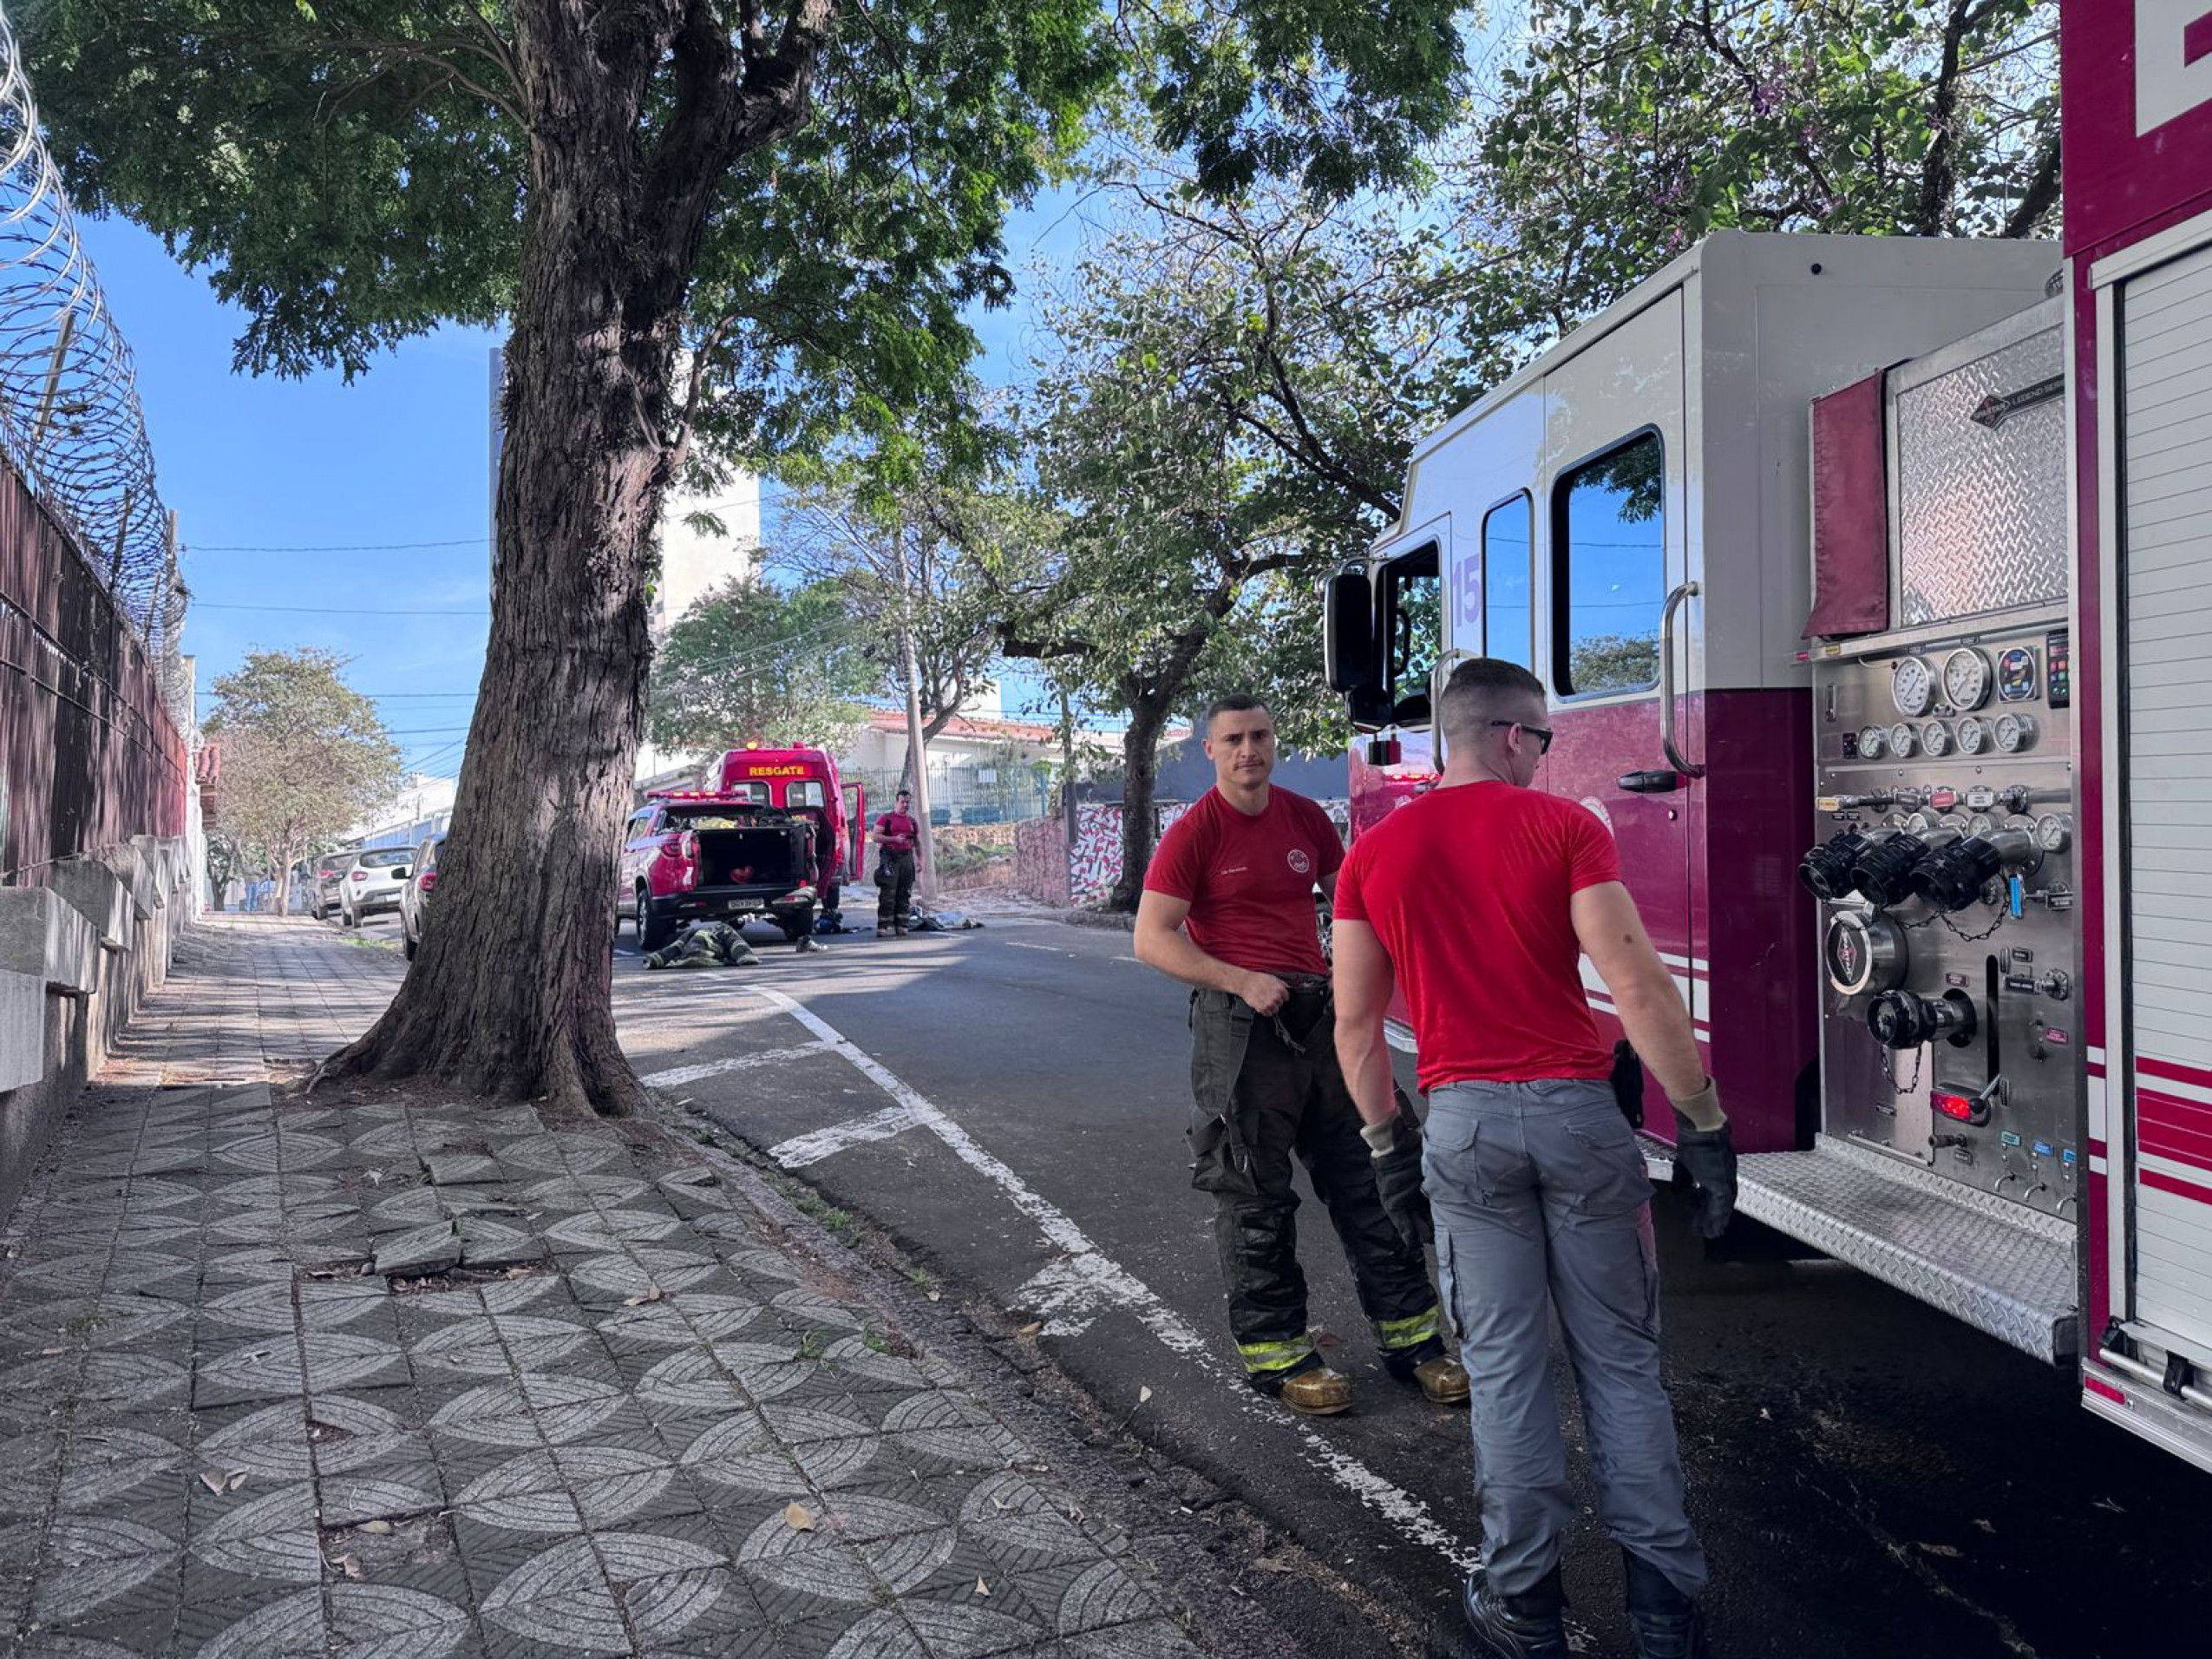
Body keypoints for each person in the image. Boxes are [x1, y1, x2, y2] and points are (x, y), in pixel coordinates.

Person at [1332, 658, 1737, 1659]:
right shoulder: (1565, 829)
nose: (1546, 758)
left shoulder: (1373, 853)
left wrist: (1387, 1147)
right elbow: (1637, 985)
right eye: (1544, 740)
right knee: (1622, 1368)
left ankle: (1525, 1607)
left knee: (1507, 1373)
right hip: (1578, 1119)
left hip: (1464, 1127)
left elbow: (1355, 1025)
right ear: (1514, 735)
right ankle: (1664, 1616)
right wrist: (1703, 1122)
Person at [1135, 693, 1469, 1416]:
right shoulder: (1194, 833)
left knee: (1371, 1179)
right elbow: (1152, 938)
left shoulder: (1306, 818)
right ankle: (1281, 1355)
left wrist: (1368, 970)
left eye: (1259, 735)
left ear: (1274, 741)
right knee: (1255, 1197)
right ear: (1210, 750)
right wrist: (1239, 979)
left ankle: (1416, 1343)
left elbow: (1349, 901)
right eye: (1233, 739)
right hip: (1240, 1028)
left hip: (1319, 1018)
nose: (1248, 750)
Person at [873, 789, 920, 937]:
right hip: (890, 859)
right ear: (896, 802)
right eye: (903, 802)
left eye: (907, 802)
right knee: (888, 893)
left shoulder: (912, 822)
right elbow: (876, 836)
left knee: (905, 892)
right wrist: (894, 839)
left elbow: (918, 843)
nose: (905, 805)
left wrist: (921, 861)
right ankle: (883, 926)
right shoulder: (886, 819)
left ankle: (902, 925)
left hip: (907, 859)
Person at [643, 917, 760, 970]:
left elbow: (673, 949)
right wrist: (746, 959)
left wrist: (653, 960)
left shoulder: (691, 932)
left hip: (688, 957)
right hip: (704, 955)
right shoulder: (725, 929)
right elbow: (738, 945)